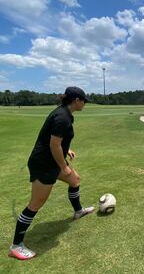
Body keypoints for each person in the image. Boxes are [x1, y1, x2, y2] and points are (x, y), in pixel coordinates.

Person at [8, 86, 94, 260]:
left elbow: (58, 141)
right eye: (84, 100)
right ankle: (16, 246)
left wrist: (67, 150)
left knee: (75, 180)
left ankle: (78, 211)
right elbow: (54, 145)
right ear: (76, 100)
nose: (85, 103)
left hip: (53, 162)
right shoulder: (62, 117)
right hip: (44, 164)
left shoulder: (65, 114)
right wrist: (63, 167)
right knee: (35, 204)